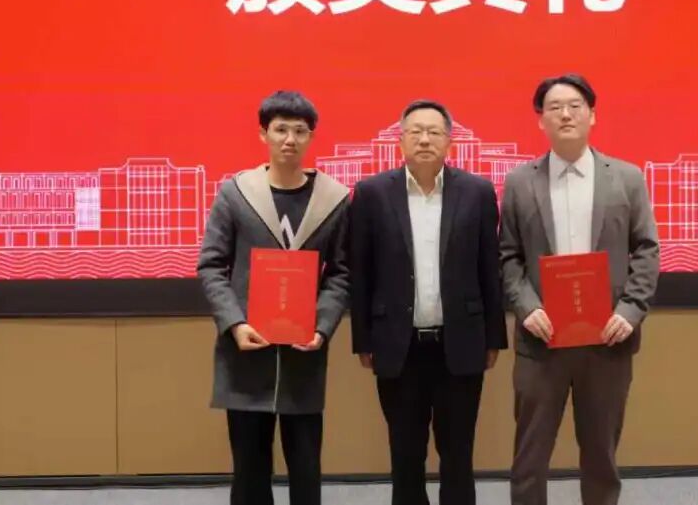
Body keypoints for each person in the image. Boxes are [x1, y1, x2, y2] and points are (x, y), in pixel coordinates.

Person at [501, 74, 660, 505]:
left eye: (575, 106)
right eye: (554, 107)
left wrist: (629, 311)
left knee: (601, 455)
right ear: (541, 120)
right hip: (542, 340)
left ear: (592, 115)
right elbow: (508, 257)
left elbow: (646, 249)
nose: (565, 114)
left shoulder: (626, 178)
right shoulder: (519, 182)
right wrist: (527, 308)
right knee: (529, 458)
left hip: (607, 339)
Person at [348, 99, 508, 505]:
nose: (424, 139)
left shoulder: (477, 192)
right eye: (415, 131)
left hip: (461, 342)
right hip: (397, 345)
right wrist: (362, 339)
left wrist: (494, 337)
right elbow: (360, 272)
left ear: (449, 141)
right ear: (400, 140)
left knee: (458, 454)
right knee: (405, 454)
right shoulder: (371, 194)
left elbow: (490, 268)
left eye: (434, 132)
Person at [197, 90, 350, 505]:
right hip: (247, 353)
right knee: (249, 471)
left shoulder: (334, 199)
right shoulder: (235, 193)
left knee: (306, 469)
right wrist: (235, 323)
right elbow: (211, 265)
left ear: (311, 136)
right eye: (281, 129)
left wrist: (322, 327)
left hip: (304, 355)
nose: (290, 140)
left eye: (300, 131)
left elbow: (342, 273)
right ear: (263, 133)